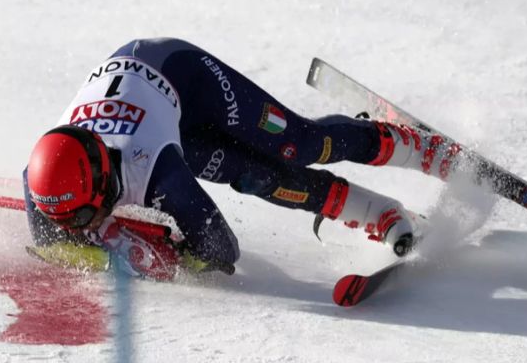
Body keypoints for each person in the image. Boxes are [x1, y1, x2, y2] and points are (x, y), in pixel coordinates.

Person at [24, 38, 445, 279]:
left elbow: (224, 249)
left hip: (183, 75)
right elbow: (51, 239)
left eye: (82, 218)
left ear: (102, 184)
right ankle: (374, 212)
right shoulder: (40, 178)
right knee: (257, 177)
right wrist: (97, 247)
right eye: (68, 218)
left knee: (299, 143)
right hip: (160, 116)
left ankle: (407, 144)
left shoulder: (155, 170)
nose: (82, 226)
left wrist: (171, 257)